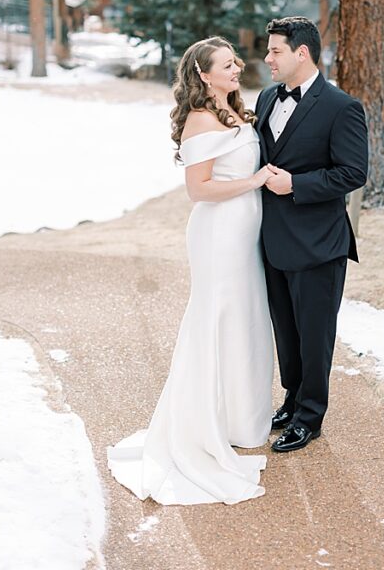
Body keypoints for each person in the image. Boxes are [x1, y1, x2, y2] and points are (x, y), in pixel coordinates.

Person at [107, 36, 275, 506]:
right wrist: (255, 181)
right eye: (226, 63)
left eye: (235, 60)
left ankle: (242, 417)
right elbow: (199, 190)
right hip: (219, 233)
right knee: (218, 316)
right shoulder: (201, 120)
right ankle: (208, 421)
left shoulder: (235, 112)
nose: (237, 67)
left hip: (246, 232)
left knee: (245, 317)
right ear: (204, 74)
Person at [257, 16, 368, 453]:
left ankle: (310, 416)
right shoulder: (267, 97)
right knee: (286, 329)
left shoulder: (342, 107)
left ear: (301, 53)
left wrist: (297, 186)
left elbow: (353, 172)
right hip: (273, 240)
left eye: (275, 51)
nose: (267, 58)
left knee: (315, 332)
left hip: (320, 243)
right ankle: (292, 398)